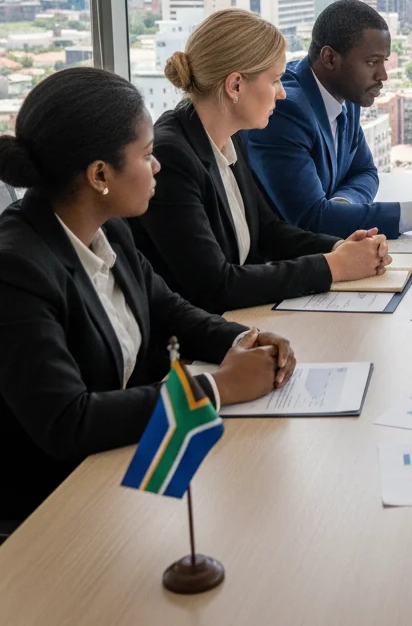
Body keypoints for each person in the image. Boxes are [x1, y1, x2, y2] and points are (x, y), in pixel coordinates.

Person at [0, 68, 296, 524]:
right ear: (100, 174)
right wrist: (219, 388)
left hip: (119, 467)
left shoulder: (109, 228)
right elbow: (68, 421)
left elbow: (167, 309)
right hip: (56, 508)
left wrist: (242, 340)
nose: (157, 166)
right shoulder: (17, 269)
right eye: (147, 155)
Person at [130, 9, 390, 315]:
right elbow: (215, 285)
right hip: (187, 348)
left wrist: (338, 247)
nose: (282, 94)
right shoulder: (172, 157)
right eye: (276, 80)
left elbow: (266, 229)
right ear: (235, 85)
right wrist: (332, 267)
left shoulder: (229, 136)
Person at [246, 0, 412, 237]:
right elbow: (313, 219)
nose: (383, 75)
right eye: (372, 62)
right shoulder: (285, 109)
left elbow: (365, 171)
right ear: (330, 58)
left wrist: (342, 204)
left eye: (383, 61)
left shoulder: (346, 93)